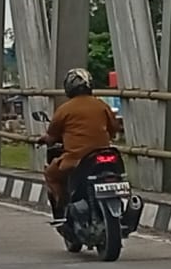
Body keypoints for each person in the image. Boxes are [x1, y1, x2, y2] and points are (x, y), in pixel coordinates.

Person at [35, 67, 122, 223]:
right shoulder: (102, 105)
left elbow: (52, 136)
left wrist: (44, 139)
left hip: (76, 160)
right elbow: (114, 128)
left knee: (51, 174)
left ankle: (63, 211)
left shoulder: (64, 110)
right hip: (105, 156)